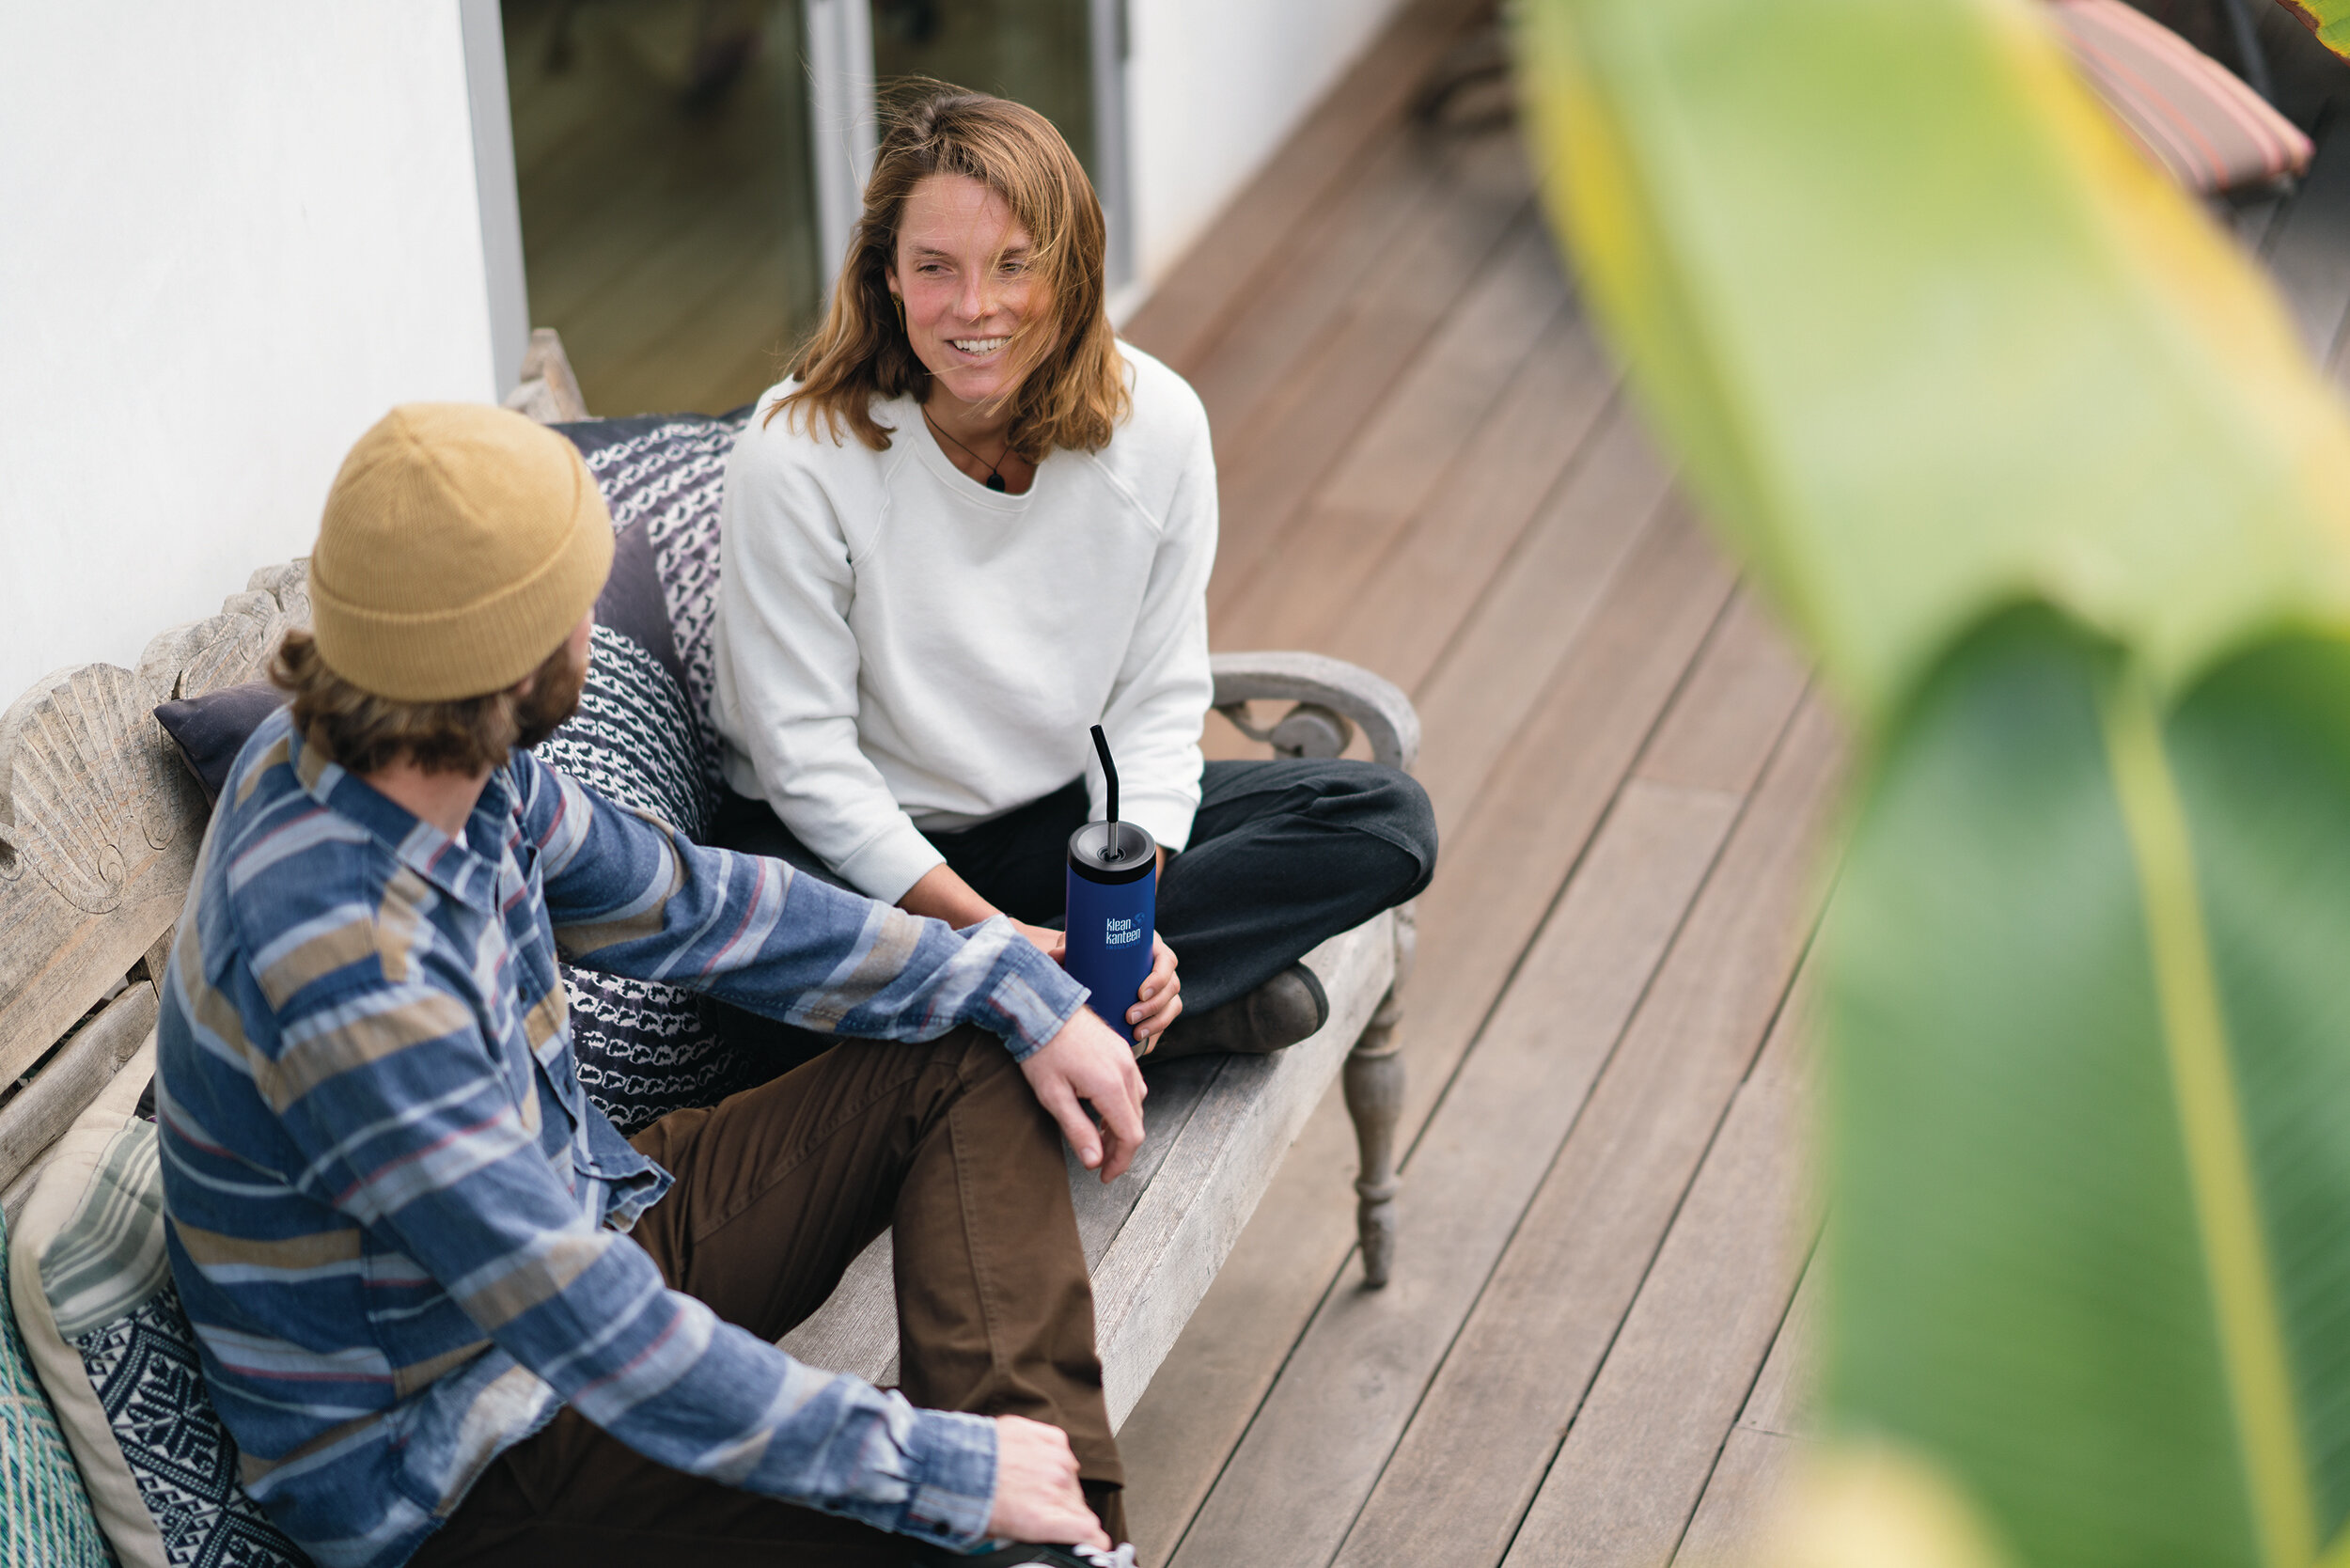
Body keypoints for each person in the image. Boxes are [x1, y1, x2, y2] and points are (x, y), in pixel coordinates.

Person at [152, 402, 1147, 1568]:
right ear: (505, 657)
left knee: (975, 1033)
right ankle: (1052, 1531)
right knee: (930, 1517)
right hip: (458, 1470)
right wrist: (938, 1469)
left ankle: (1050, 1528)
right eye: (573, 594)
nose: (593, 612)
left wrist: (1012, 981)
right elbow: (578, 1317)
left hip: (593, 1229)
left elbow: (691, 905)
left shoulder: (421, 756)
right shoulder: (352, 982)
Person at [709, 87, 1436, 1059]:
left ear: (1073, 269)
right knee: (775, 949)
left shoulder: (1159, 426)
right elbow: (807, 766)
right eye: (936, 268)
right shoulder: (796, 453)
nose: (975, 307)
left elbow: (1155, 697)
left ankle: (1051, 1011)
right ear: (886, 276)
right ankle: (1117, 1017)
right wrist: (989, 935)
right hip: (846, 852)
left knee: (1382, 819)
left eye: (1016, 266)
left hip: (1051, 833)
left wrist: (1122, 918)